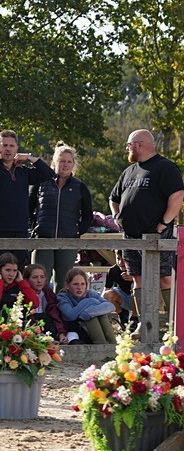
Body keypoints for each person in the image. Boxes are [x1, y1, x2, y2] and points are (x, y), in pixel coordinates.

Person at [109, 130, 184, 319]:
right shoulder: (129, 171)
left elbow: (177, 196)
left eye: (129, 145)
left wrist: (164, 223)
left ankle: (175, 325)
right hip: (131, 236)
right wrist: (117, 216)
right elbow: (114, 198)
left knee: (165, 277)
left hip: (157, 235)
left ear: (139, 144)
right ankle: (144, 324)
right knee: (138, 279)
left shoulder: (165, 167)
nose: (127, 149)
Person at [30, 143, 94, 291]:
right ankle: (38, 307)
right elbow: (28, 208)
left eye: (69, 161)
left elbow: (87, 215)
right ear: (54, 162)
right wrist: (35, 228)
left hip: (68, 241)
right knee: (39, 281)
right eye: (62, 161)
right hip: (43, 239)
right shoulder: (40, 183)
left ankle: (60, 307)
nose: (65, 165)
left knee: (63, 283)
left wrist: (76, 232)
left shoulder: (80, 186)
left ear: (73, 164)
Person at [0, 130, 54, 268]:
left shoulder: (23, 171)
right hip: (1, 229)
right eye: (4, 145)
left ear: (17, 148)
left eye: (11, 146)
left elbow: (48, 174)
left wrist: (30, 157)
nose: (8, 149)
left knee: (17, 270)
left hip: (20, 230)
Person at [57, 266, 116, 344]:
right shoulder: (62, 297)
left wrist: (88, 313)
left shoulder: (90, 293)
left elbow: (110, 306)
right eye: (75, 284)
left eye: (82, 284)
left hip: (90, 328)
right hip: (74, 329)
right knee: (92, 317)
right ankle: (101, 344)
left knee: (101, 314)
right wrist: (90, 301)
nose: (79, 288)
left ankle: (112, 344)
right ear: (67, 285)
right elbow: (70, 315)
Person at [23, 263, 69, 342]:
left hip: (48, 328)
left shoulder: (48, 293)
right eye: (34, 277)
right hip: (31, 330)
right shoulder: (22, 295)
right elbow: (28, 319)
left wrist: (61, 333)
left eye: (42, 277)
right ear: (26, 280)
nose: (39, 281)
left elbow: (55, 314)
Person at [102, 256, 136, 328]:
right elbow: (106, 290)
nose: (121, 263)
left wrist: (134, 279)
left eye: (124, 259)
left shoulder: (137, 269)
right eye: (118, 259)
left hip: (139, 300)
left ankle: (135, 318)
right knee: (107, 294)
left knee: (135, 287)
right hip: (124, 298)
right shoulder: (113, 270)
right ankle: (122, 314)